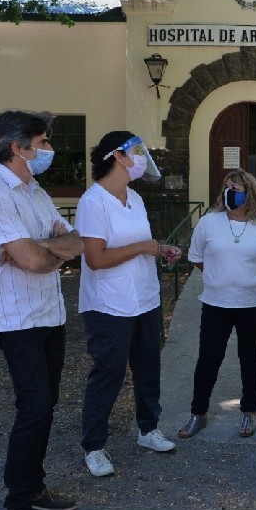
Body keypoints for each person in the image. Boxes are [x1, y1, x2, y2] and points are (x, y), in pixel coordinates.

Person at [0, 110, 84, 510]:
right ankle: (16, 508)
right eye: (43, 142)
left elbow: (76, 242)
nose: (50, 149)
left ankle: (33, 486)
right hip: (13, 315)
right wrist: (44, 252)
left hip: (48, 310)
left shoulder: (36, 192)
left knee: (46, 403)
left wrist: (40, 249)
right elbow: (34, 260)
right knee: (34, 405)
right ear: (18, 147)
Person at [76, 131, 183, 478]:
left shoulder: (134, 197)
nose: (142, 157)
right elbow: (95, 259)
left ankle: (148, 430)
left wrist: (161, 250)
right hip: (109, 304)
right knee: (108, 373)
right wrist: (142, 248)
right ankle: (94, 446)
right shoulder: (93, 202)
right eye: (136, 151)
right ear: (118, 157)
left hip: (145, 298)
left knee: (148, 367)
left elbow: (141, 243)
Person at [179, 169, 256, 439]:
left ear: (250, 193)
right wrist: (220, 278)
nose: (229, 193)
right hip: (216, 304)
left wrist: (243, 280)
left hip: (253, 305)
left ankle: (249, 411)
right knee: (208, 358)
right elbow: (197, 257)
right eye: (226, 187)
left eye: (235, 188)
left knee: (250, 358)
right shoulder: (208, 223)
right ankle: (198, 413)